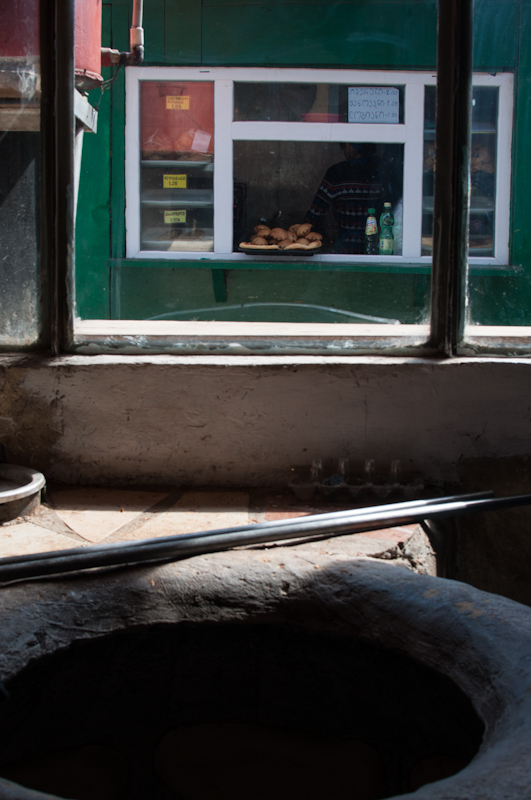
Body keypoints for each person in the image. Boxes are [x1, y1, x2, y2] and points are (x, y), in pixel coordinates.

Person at [305, 143, 385, 254]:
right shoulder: (382, 170)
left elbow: (313, 217)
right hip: (380, 251)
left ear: (349, 146)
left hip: (345, 251)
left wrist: (325, 241)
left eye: (343, 147)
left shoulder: (336, 173)